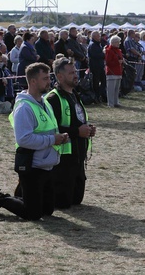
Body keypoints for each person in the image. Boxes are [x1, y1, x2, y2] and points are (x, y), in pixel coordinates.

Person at [0, 62, 68, 220]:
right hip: (32, 165)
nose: (49, 81)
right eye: (45, 78)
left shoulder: (44, 102)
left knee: (47, 210)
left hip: (46, 164)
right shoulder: (24, 107)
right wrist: (52, 140)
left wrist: (60, 137)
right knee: (33, 214)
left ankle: (26, 198)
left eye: (49, 77)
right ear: (33, 81)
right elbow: (24, 139)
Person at [46, 57, 96, 209]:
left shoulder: (75, 95)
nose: (76, 75)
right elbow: (50, 130)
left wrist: (88, 129)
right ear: (59, 76)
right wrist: (77, 132)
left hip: (78, 158)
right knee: (62, 203)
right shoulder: (53, 98)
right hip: (63, 161)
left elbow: (79, 119)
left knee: (76, 200)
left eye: (75, 71)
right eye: (71, 73)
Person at [87, 30, 106, 104]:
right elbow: (96, 55)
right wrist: (103, 54)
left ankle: (101, 95)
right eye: (98, 36)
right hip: (95, 66)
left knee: (103, 81)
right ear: (94, 37)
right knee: (96, 82)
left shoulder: (97, 44)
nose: (99, 37)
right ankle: (97, 96)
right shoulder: (93, 45)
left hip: (99, 66)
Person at [105, 34, 124, 108]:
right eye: (117, 42)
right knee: (111, 89)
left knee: (116, 88)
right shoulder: (109, 50)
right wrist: (117, 62)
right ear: (113, 42)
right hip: (111, 72)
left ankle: (116, 102)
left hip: (118, 71)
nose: (119, 44)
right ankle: (111, 103)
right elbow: (107, 62)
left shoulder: (118, 50)